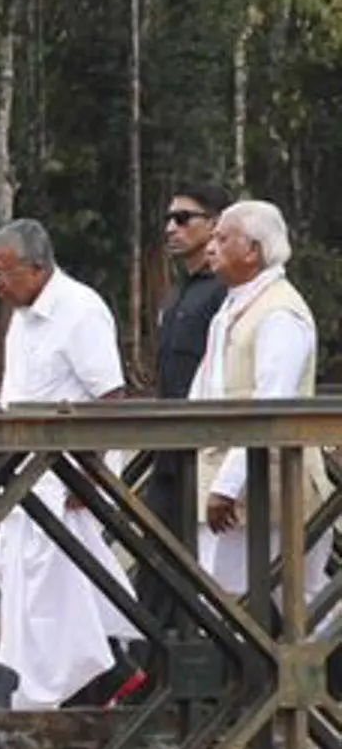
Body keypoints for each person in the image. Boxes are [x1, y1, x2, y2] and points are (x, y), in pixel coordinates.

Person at [0, 219, 132, 707]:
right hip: (25, 478)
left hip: (64, 480)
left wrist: (90, 474)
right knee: (22, 586)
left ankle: (83, 684)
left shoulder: (80, 311)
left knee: (58, 590)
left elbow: (110, 397)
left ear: (37, 268)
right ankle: (39, 691)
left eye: (4, 273)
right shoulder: (22, 315)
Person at [196, 197, 319, 603]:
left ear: (253, 250)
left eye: (222, 238)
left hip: (275, 484)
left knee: (300, 606)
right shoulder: (231, 309)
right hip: (235, 483)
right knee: (225, 603)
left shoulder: (279, 313)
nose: (210, 247)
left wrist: (227, 486)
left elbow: (272, 404)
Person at [144, 182, 228, 546]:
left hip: (204, 450)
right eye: (168, 220)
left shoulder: (225, 292)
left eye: (183, 219)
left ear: (215, 224)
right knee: (158, 560)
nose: (170, 229)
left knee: (206, 573)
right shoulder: (176, 294)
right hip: (168, 450)